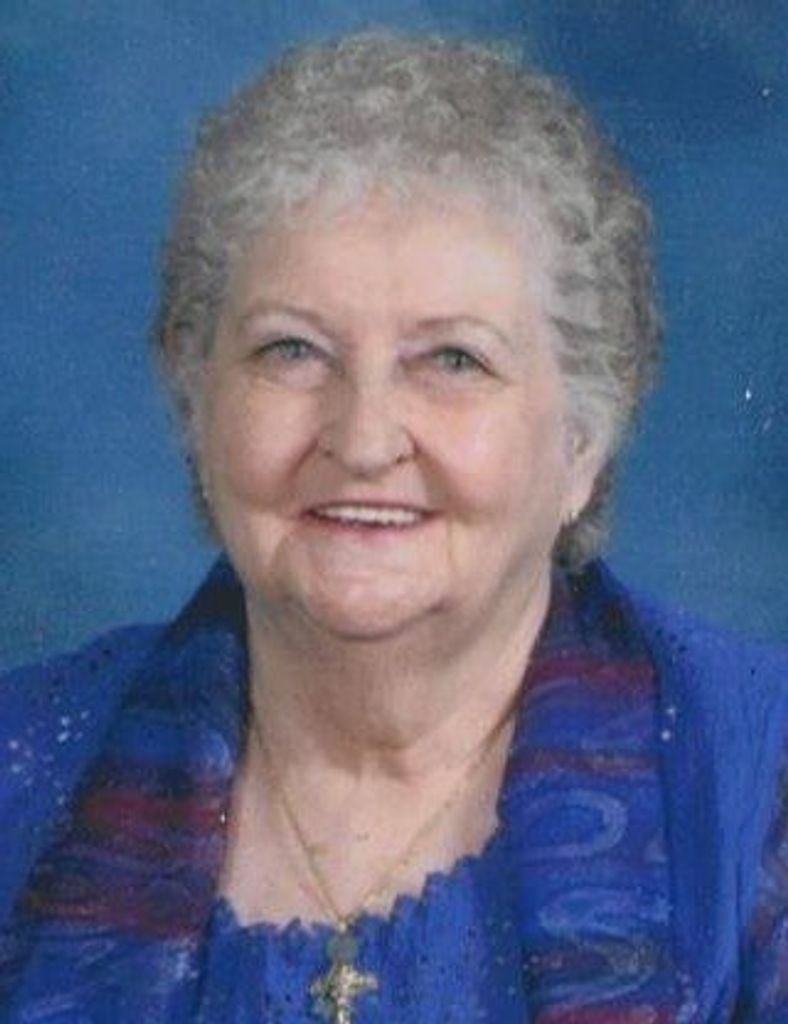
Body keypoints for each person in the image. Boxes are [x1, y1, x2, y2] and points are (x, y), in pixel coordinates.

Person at [0, 31, 786, 1024]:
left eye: (452, 360)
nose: (364, 438)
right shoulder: (22, 761)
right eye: (291, 350)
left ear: (584, 435)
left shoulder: (759, 782)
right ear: (195, 400)